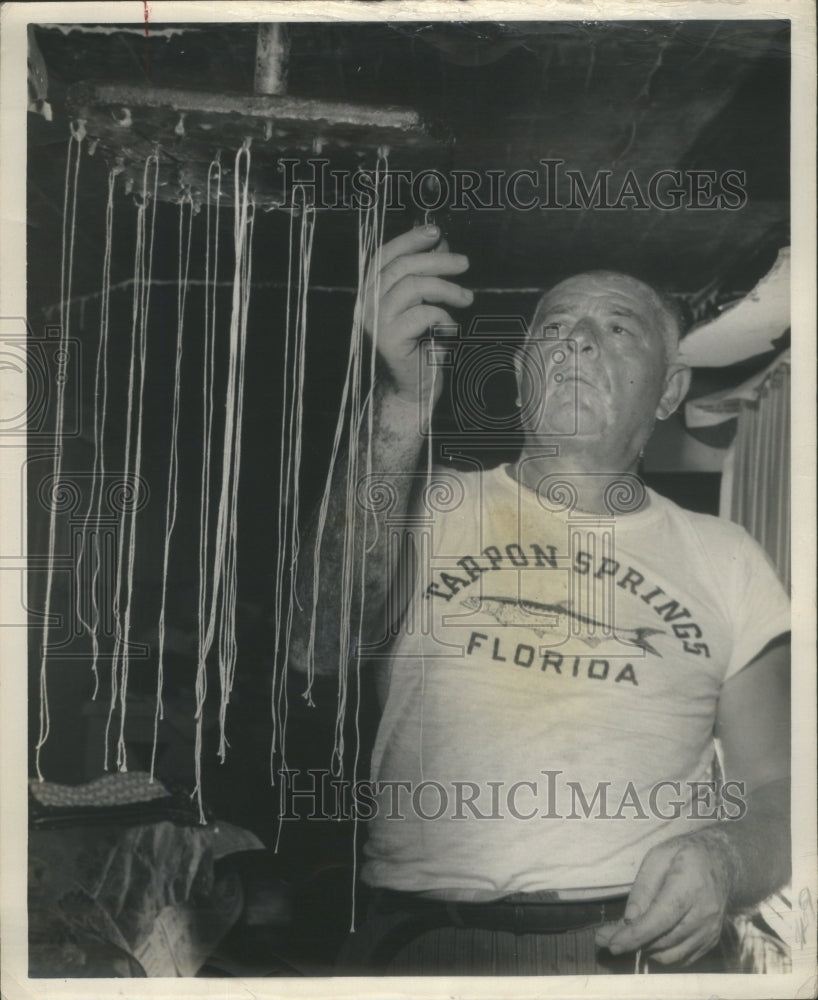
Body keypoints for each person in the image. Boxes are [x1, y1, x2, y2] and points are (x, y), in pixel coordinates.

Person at [289, 224, 791, 975]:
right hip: (427, 947)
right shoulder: (423, 505)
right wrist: (403, 401)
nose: (578, 342)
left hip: (641, 953)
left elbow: (780, 791)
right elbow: (319, 640)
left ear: (671, 391)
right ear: (523, 373)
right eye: (554, 327)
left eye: (616, 328)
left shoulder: (728, 558)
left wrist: (726, 858)